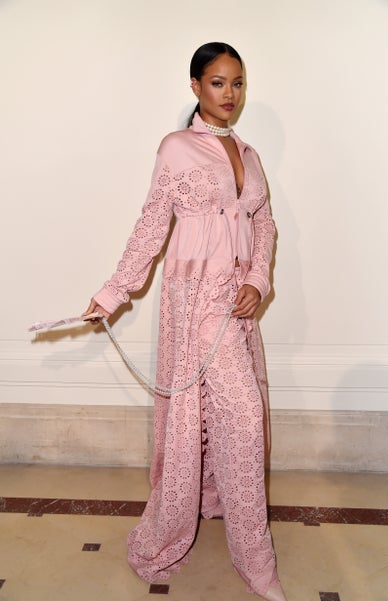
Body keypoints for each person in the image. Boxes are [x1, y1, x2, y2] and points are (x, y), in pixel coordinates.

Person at [84, 42, 287, 601]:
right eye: (218, 82)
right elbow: (153, 223)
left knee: (233, 419)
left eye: (238, 83)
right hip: (196, 303)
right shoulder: (176, 148)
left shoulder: (250, 153)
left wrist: (258, 281)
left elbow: (264, 225)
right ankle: (257, 563)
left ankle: (225, 516)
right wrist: (113, 292)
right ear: (195, 86)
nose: (230, 94)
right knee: (244, 419)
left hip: (238, 305)